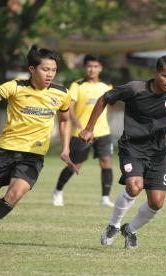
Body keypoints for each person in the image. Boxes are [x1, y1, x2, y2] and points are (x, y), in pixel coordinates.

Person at [79, 55, 166, 250]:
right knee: (134, 187)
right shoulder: (135, 89)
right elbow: (104, 98)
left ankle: (130, 229)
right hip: (131, 147)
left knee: (157, 203)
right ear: (155, 73)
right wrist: (89, 128)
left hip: (158, 154)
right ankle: (113, 225)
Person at [0, 45, 78, 246]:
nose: (50, 74)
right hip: (5, 151)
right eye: (45, 69)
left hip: (33, 155)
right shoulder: (15, 86)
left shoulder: (62, 93)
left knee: (14, 195)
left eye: (53, 70)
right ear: (32, 69)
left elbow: (65, 121)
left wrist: (65, 149)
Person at [52, 54, 114, 208]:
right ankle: (58, 191)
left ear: (100, 68)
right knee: (75, 165)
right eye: (89, 66)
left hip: (102, 132)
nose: (92, 69)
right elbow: (70, 106)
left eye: (95, 66)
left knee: (106, 162)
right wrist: (75, 121)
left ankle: (105, 198)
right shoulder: (77, 85)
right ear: (85, 68)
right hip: (81, 133)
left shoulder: (107, 86)